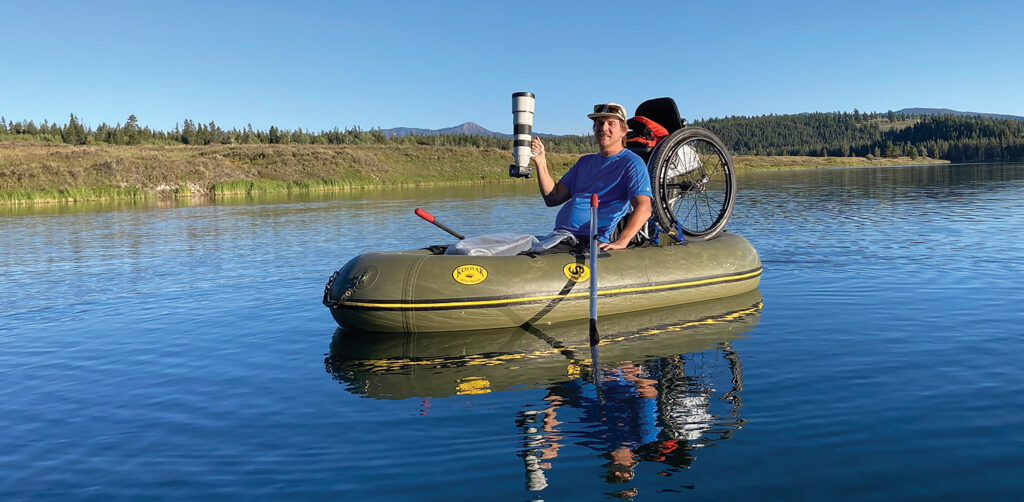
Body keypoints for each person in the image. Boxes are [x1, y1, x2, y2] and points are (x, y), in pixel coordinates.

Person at [530, 103, 653, 251]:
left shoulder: (632, 163)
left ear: (623, 130)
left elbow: (644, 207)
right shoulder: (584, 162)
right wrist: (541, 162)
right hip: (561, 237)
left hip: (592, 241)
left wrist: (621, 241)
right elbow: (553, 198)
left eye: (611, 123)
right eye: (599, 123)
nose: (603, 128)